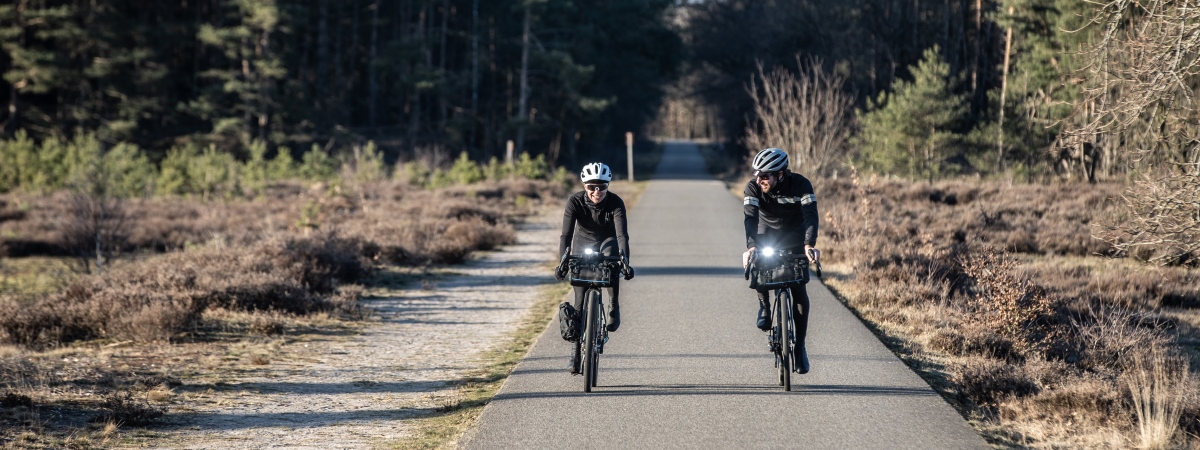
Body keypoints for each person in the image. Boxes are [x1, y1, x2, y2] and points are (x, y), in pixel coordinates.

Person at [742, 148, 820, 374]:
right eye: (758, 174)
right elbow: (749, 219)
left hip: (795, 236)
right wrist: (751, 247)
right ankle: (764, 305)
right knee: (758, 263)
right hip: (766, 233)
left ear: (781, 174)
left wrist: (809, 244)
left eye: (765, 175)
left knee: (799, 289)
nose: (760, 179)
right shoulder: (753, 187)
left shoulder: (801, 185)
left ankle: (800, 348)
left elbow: (811, 216)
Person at [555, 162, 635, 374]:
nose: (597, 191)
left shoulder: (616, 203)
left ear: (608, 185)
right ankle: (575, 354)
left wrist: (625, 261)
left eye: (602, 186)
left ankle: (614, 305)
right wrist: (562, 261)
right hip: (583, 242)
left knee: (612, 261)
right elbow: (565, 235)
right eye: (592, 186)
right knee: (579, 303)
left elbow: (621, 236)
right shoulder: (574, 201)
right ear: (584, 185)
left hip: (608, 240)